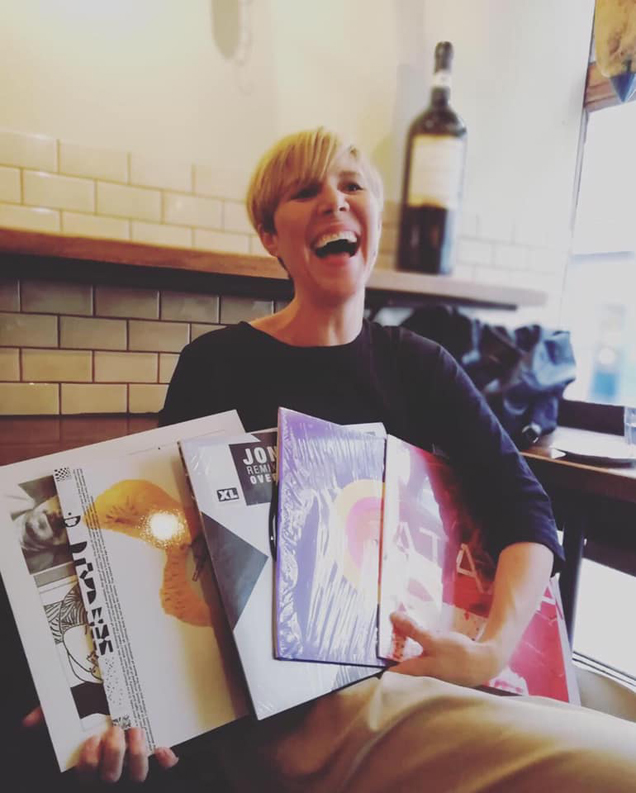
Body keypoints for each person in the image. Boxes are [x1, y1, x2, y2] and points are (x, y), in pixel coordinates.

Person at [23, 127, 636, 790]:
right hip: (289, 710)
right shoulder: (215, 364)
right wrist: (119, 696)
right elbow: (155, 547)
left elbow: (526, 509)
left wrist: (490, 651)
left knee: (607, 713)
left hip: (414, 671)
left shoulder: (419, 365)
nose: (335, 201)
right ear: (270, 236)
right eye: (305, 191)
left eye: (352, 186)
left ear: (374, 220)